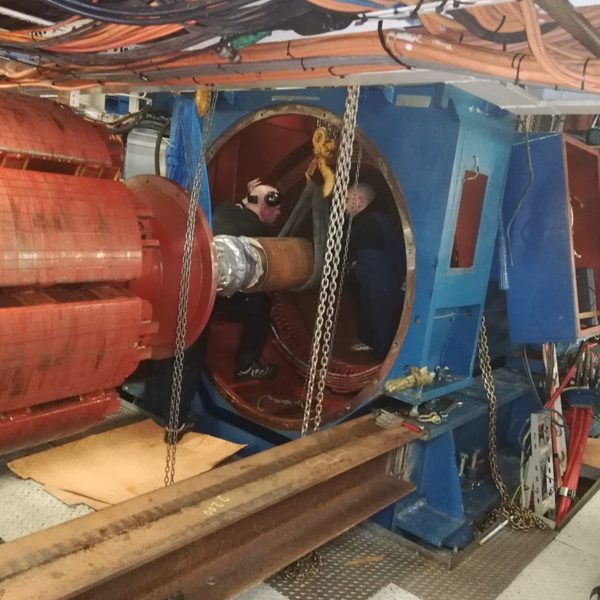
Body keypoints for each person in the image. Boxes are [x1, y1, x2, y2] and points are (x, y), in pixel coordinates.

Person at [211, 179, 282, 381]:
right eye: (276, 209)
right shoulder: (258, 230)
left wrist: (251, 194)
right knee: (261, 305)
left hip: (206, 289)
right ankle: (246, 366)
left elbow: (244, 205)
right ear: (264, 208)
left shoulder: (224, 209)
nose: (279, 214)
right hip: (225, 295)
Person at [345, 182, 406, 361]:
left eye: (347, 200)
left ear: (359, 201)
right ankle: (369, 341)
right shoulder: (378, 218)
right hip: (374, 279)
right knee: (370, 309)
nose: (343, 205)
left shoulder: (369, 223)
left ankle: (382, 357)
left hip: (380, 282)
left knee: (381, 315)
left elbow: (345, 245)